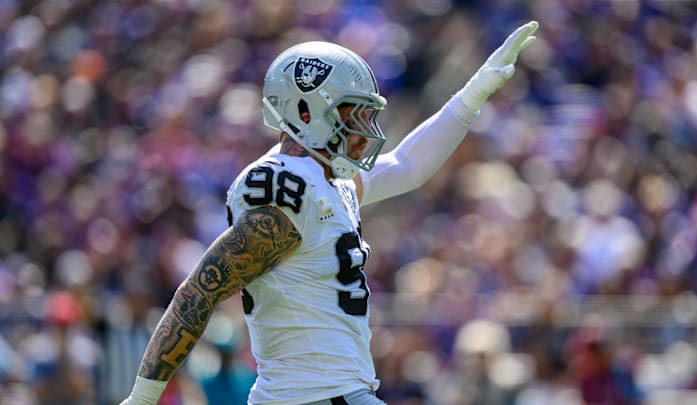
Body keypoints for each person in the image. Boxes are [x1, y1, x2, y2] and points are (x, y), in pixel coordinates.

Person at [120, 20, 539, 405]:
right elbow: (200, 290)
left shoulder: (327, 181)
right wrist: (140, 399)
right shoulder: (286, 186)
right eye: (352, 114)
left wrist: (472, 96)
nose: (364, 131)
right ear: (305, 112)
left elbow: (408, 167)